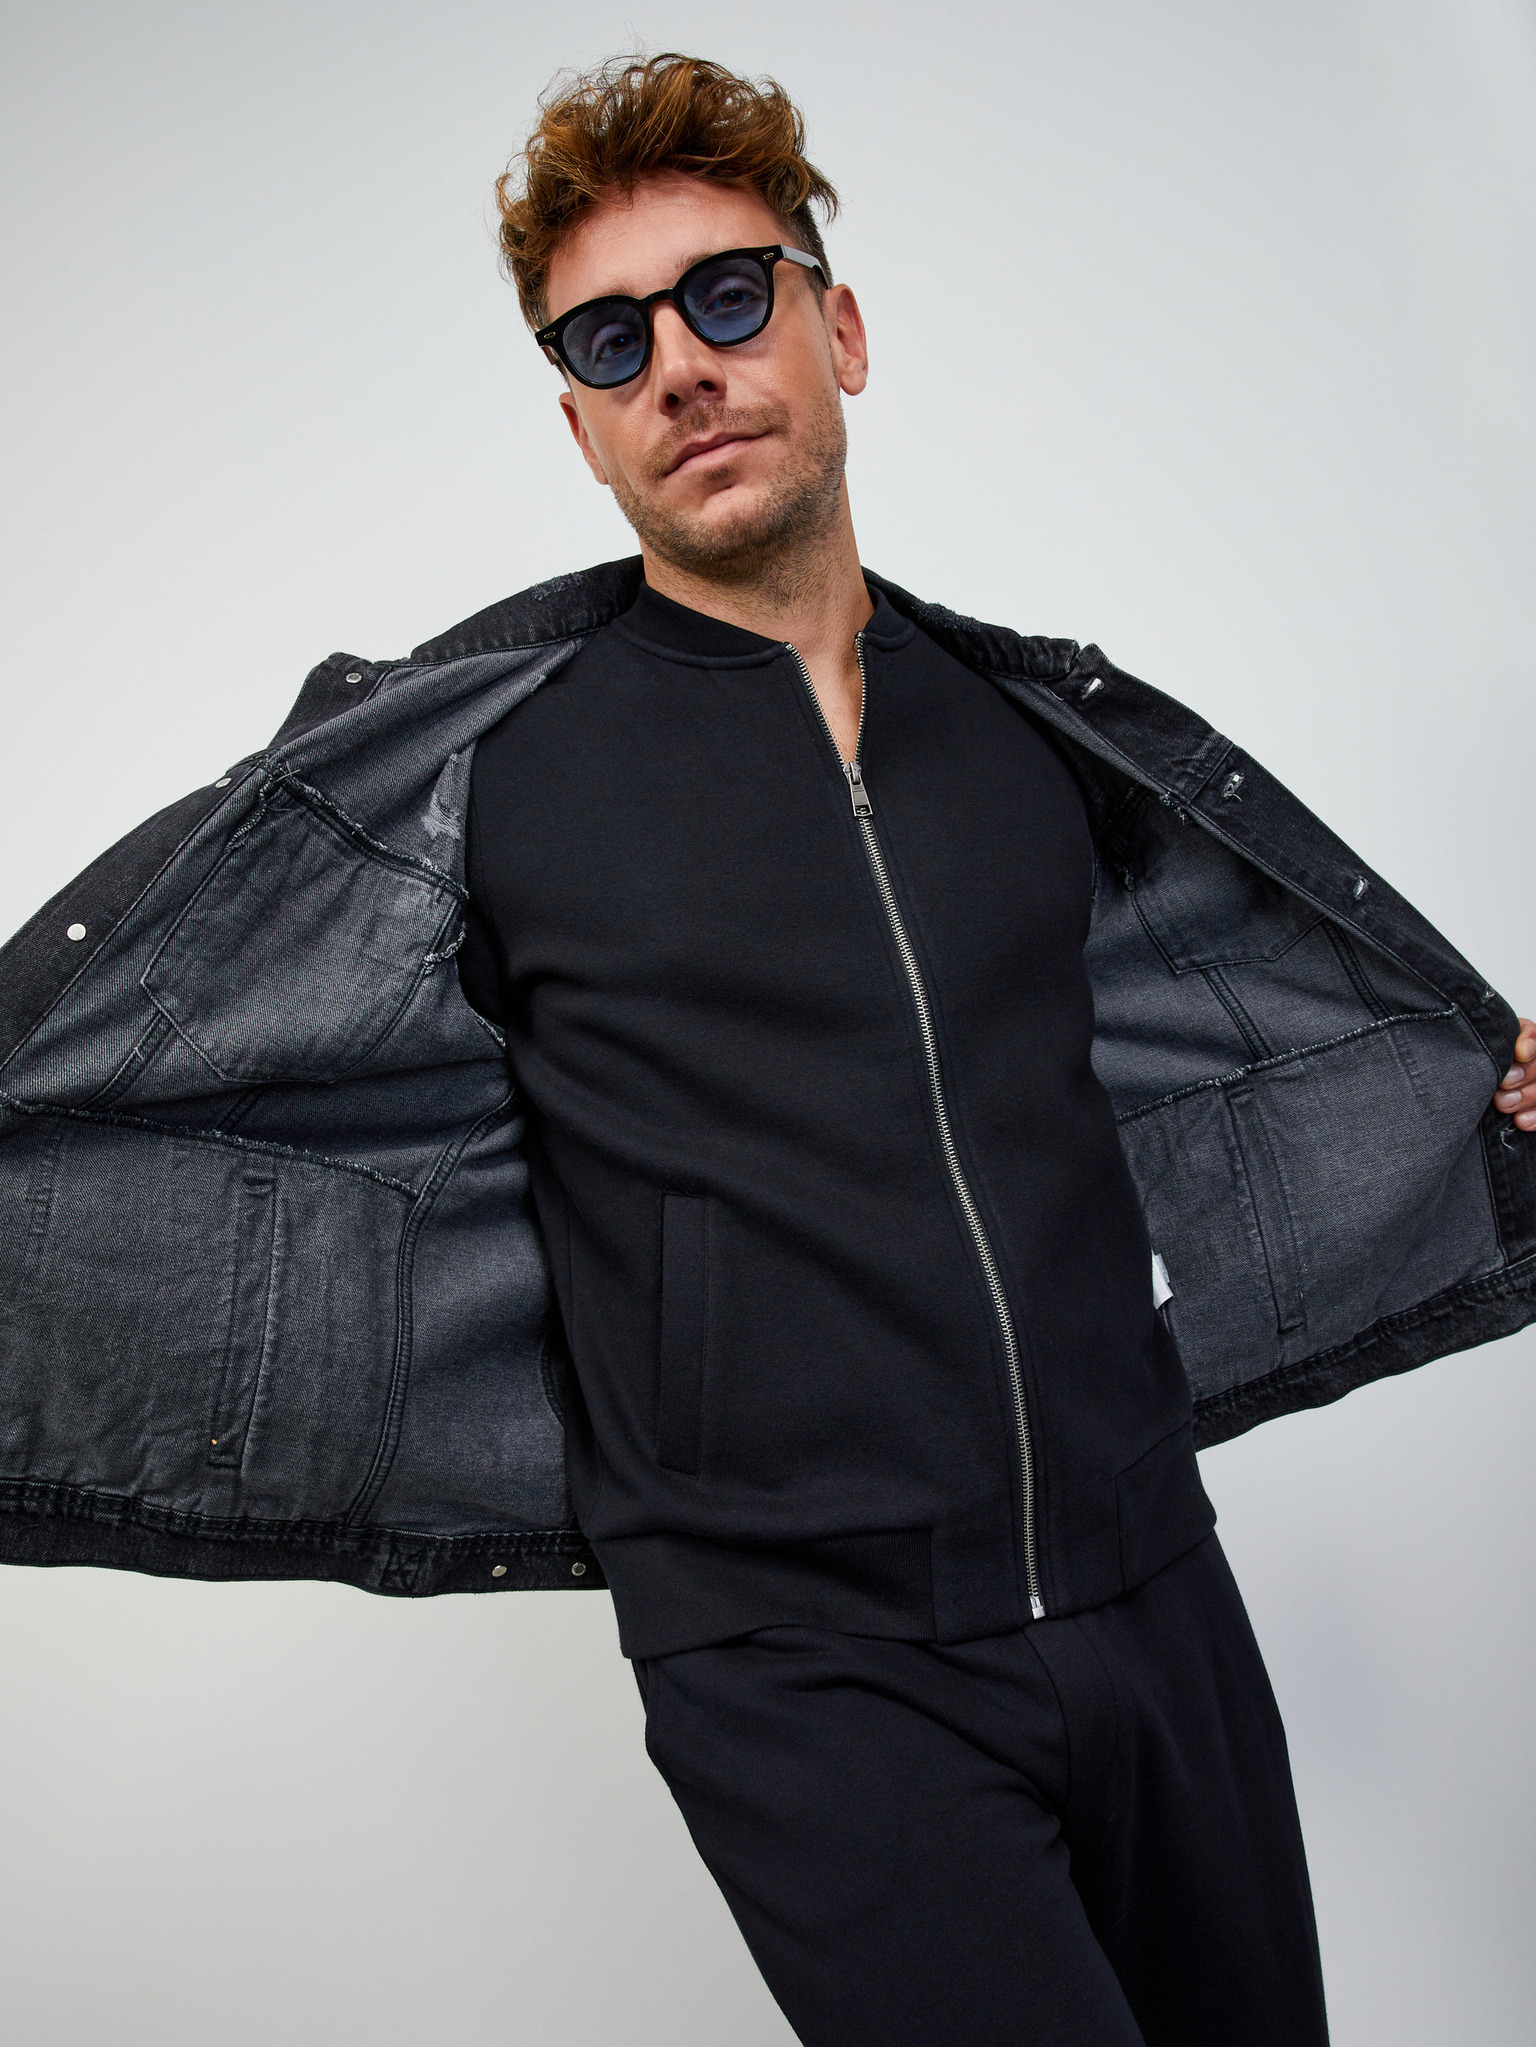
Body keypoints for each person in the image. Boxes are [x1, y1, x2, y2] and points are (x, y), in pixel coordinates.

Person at [0, 50, 1530, 2048]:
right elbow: (225, 1103)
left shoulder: (1027, 734)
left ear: (841, 329)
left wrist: (1475, 1083)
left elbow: (1231, 1032)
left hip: (1158, 1582)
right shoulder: (500, 784)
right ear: (580, 423)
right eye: (612, 339)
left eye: (728, 296)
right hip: (808, 1670)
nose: (681, 369)